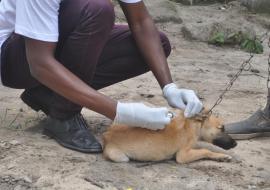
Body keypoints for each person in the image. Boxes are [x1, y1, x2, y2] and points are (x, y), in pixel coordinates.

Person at [0, 0, 203, 153]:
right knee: (97, 10)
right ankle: (63, 116)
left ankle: (48, 93)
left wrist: (169, 87)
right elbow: (39, 64)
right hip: (14, 58)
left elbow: (141, 22)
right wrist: (122, 112)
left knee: (157, 44)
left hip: (51, 43)